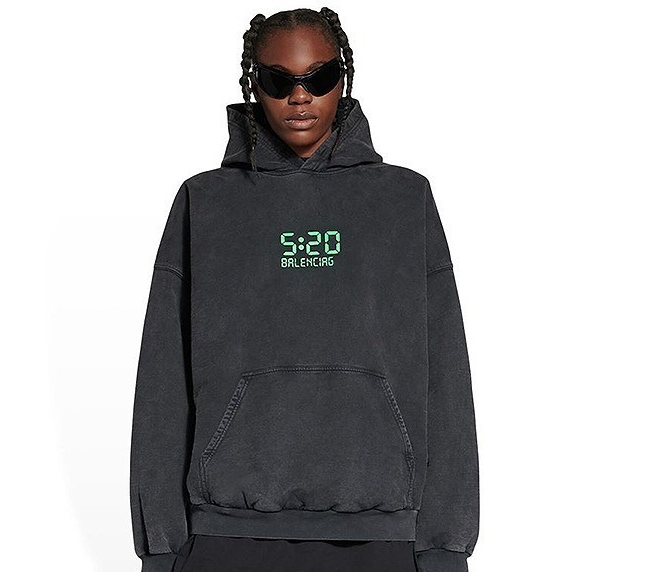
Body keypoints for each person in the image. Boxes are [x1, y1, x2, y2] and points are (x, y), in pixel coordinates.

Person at [129, 7, 479, 572]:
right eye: (279, 80)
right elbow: (162, 384)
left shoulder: (403, 200)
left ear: (344, 78)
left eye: (319, 78)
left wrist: (444, 545)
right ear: (253, 84)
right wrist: (161, 545)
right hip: (224, 533)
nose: (300, 96)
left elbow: (447, 379)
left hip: (383, 533)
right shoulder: (206, 203)